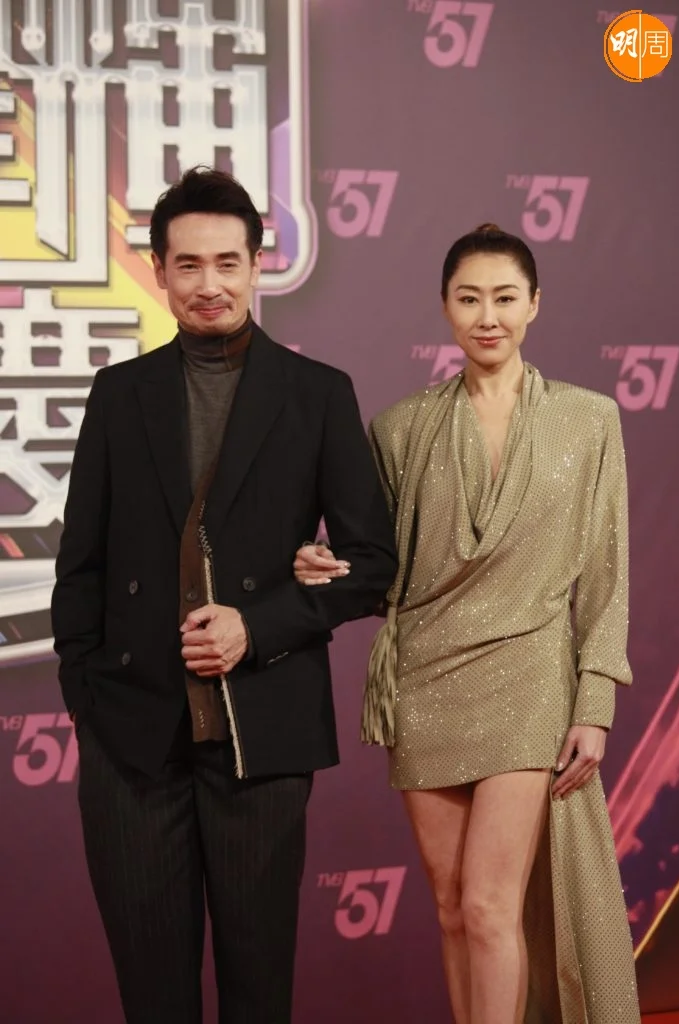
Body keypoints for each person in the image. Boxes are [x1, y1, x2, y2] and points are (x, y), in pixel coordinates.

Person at [51, 166, 397, 1024]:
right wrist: (89, 702)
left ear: (256, 265)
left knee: (258, 993)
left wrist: (261, 624)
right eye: (189, 264)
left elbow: (371, 562)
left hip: (263, 733)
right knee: (153, 997)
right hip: (132, 740)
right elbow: (81, 566)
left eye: (227, 263)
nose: (209, 283)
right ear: (160, 271)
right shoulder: (118, 395)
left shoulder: (317, 394)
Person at [294, 224, 640, 1024]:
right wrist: (323, 564)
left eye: (505, 298)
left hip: (528, 679)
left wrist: (593, 701)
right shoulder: (399, 428)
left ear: (534, 305)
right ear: (444, 307)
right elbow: (380, 564)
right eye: (469, 298)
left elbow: (605, 571)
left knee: (489, 904)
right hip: (425, 681)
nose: (488, 316)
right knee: (452, 907)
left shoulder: (589, 421)